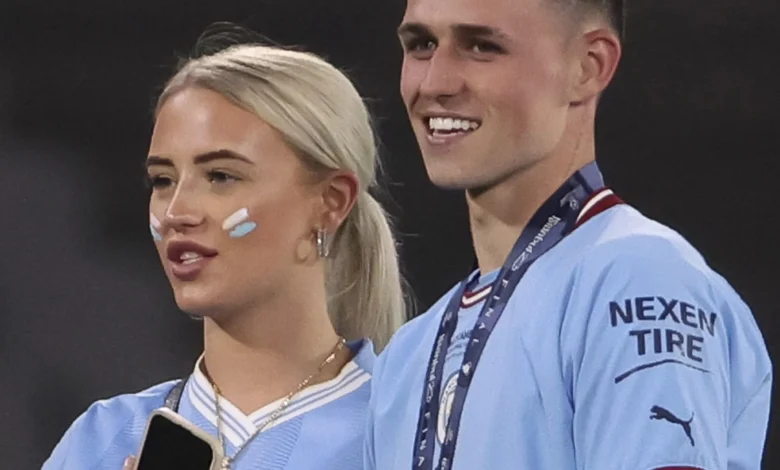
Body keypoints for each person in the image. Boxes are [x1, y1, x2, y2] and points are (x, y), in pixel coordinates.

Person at [365, 0, 772, 469]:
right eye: (422, 44)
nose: (435, 83)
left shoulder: (637, 279)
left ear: (588, 66)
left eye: (481, 47)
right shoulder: (407, 356)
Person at [43, 40, 406, 470]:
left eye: (220, 176)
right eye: (162, 180)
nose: (176, 213)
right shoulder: (101, 439)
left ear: (330, 202)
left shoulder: (413, 433)